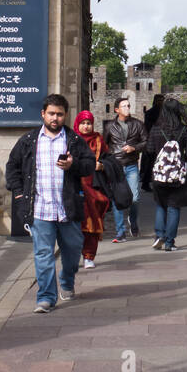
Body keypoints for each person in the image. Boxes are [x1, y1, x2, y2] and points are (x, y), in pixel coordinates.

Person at [5, 94, 95, 313]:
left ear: (66, 115)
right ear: (43, 114)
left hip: (67, 208)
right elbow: (12, 167)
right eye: (51, 113)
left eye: (60, 114)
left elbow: (90, 165)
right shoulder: (28, 141)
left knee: (73, 250)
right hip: (40, 208)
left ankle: (67, 280)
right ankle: (45, 297)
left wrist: (73, 165)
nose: (55, 118)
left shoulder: (74, 140)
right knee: (43, 254)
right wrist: (19, 195)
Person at [146, 97, 187, 251]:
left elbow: (149, 150)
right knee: (174, 207)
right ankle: (169, 242)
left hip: (159, 175)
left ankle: (159, 235)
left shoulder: (156, 128)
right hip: (176, 176)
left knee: (161, 205)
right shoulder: (183, 130)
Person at [106, 95, 146, 242]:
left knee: (134, 198)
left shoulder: (138, 124)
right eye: (124, 106)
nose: (127, 108)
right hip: (116, 166)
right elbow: (105, 145)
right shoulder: (109, 126)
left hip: (131, 165)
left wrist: (134, 148)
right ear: (117, 110)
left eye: (128, 105)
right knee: (117, 199)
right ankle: (120, 232)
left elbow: (146, 142)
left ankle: (133, 222)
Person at [74, 110, 110, 269]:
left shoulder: (98, 140)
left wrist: (102, 166)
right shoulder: (71, 139)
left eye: (88, 123)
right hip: (75, 187)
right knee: (75, 225)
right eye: (83, 123)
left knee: (92, 224)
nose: (86, 126)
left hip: (94, 188)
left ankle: (89, 256)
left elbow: (110, 160)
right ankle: (74, 255)